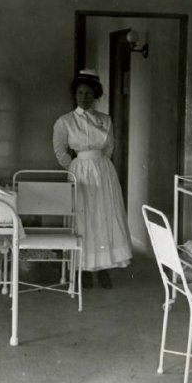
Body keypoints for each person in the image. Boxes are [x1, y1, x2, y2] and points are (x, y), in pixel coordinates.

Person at [52, 69, 132, 288]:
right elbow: (60, 152)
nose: (84, 98)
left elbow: (109, 148)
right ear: (75, 95)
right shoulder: (65, 121)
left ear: (95, 95)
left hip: (104, 172)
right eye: (80, 93)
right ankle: (83, 270)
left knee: (104, 217)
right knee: (83, 220)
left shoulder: (105, 120)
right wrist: (77, 168)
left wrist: (99, 166)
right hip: (80, 173)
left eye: (88, 93)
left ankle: (104, 268)